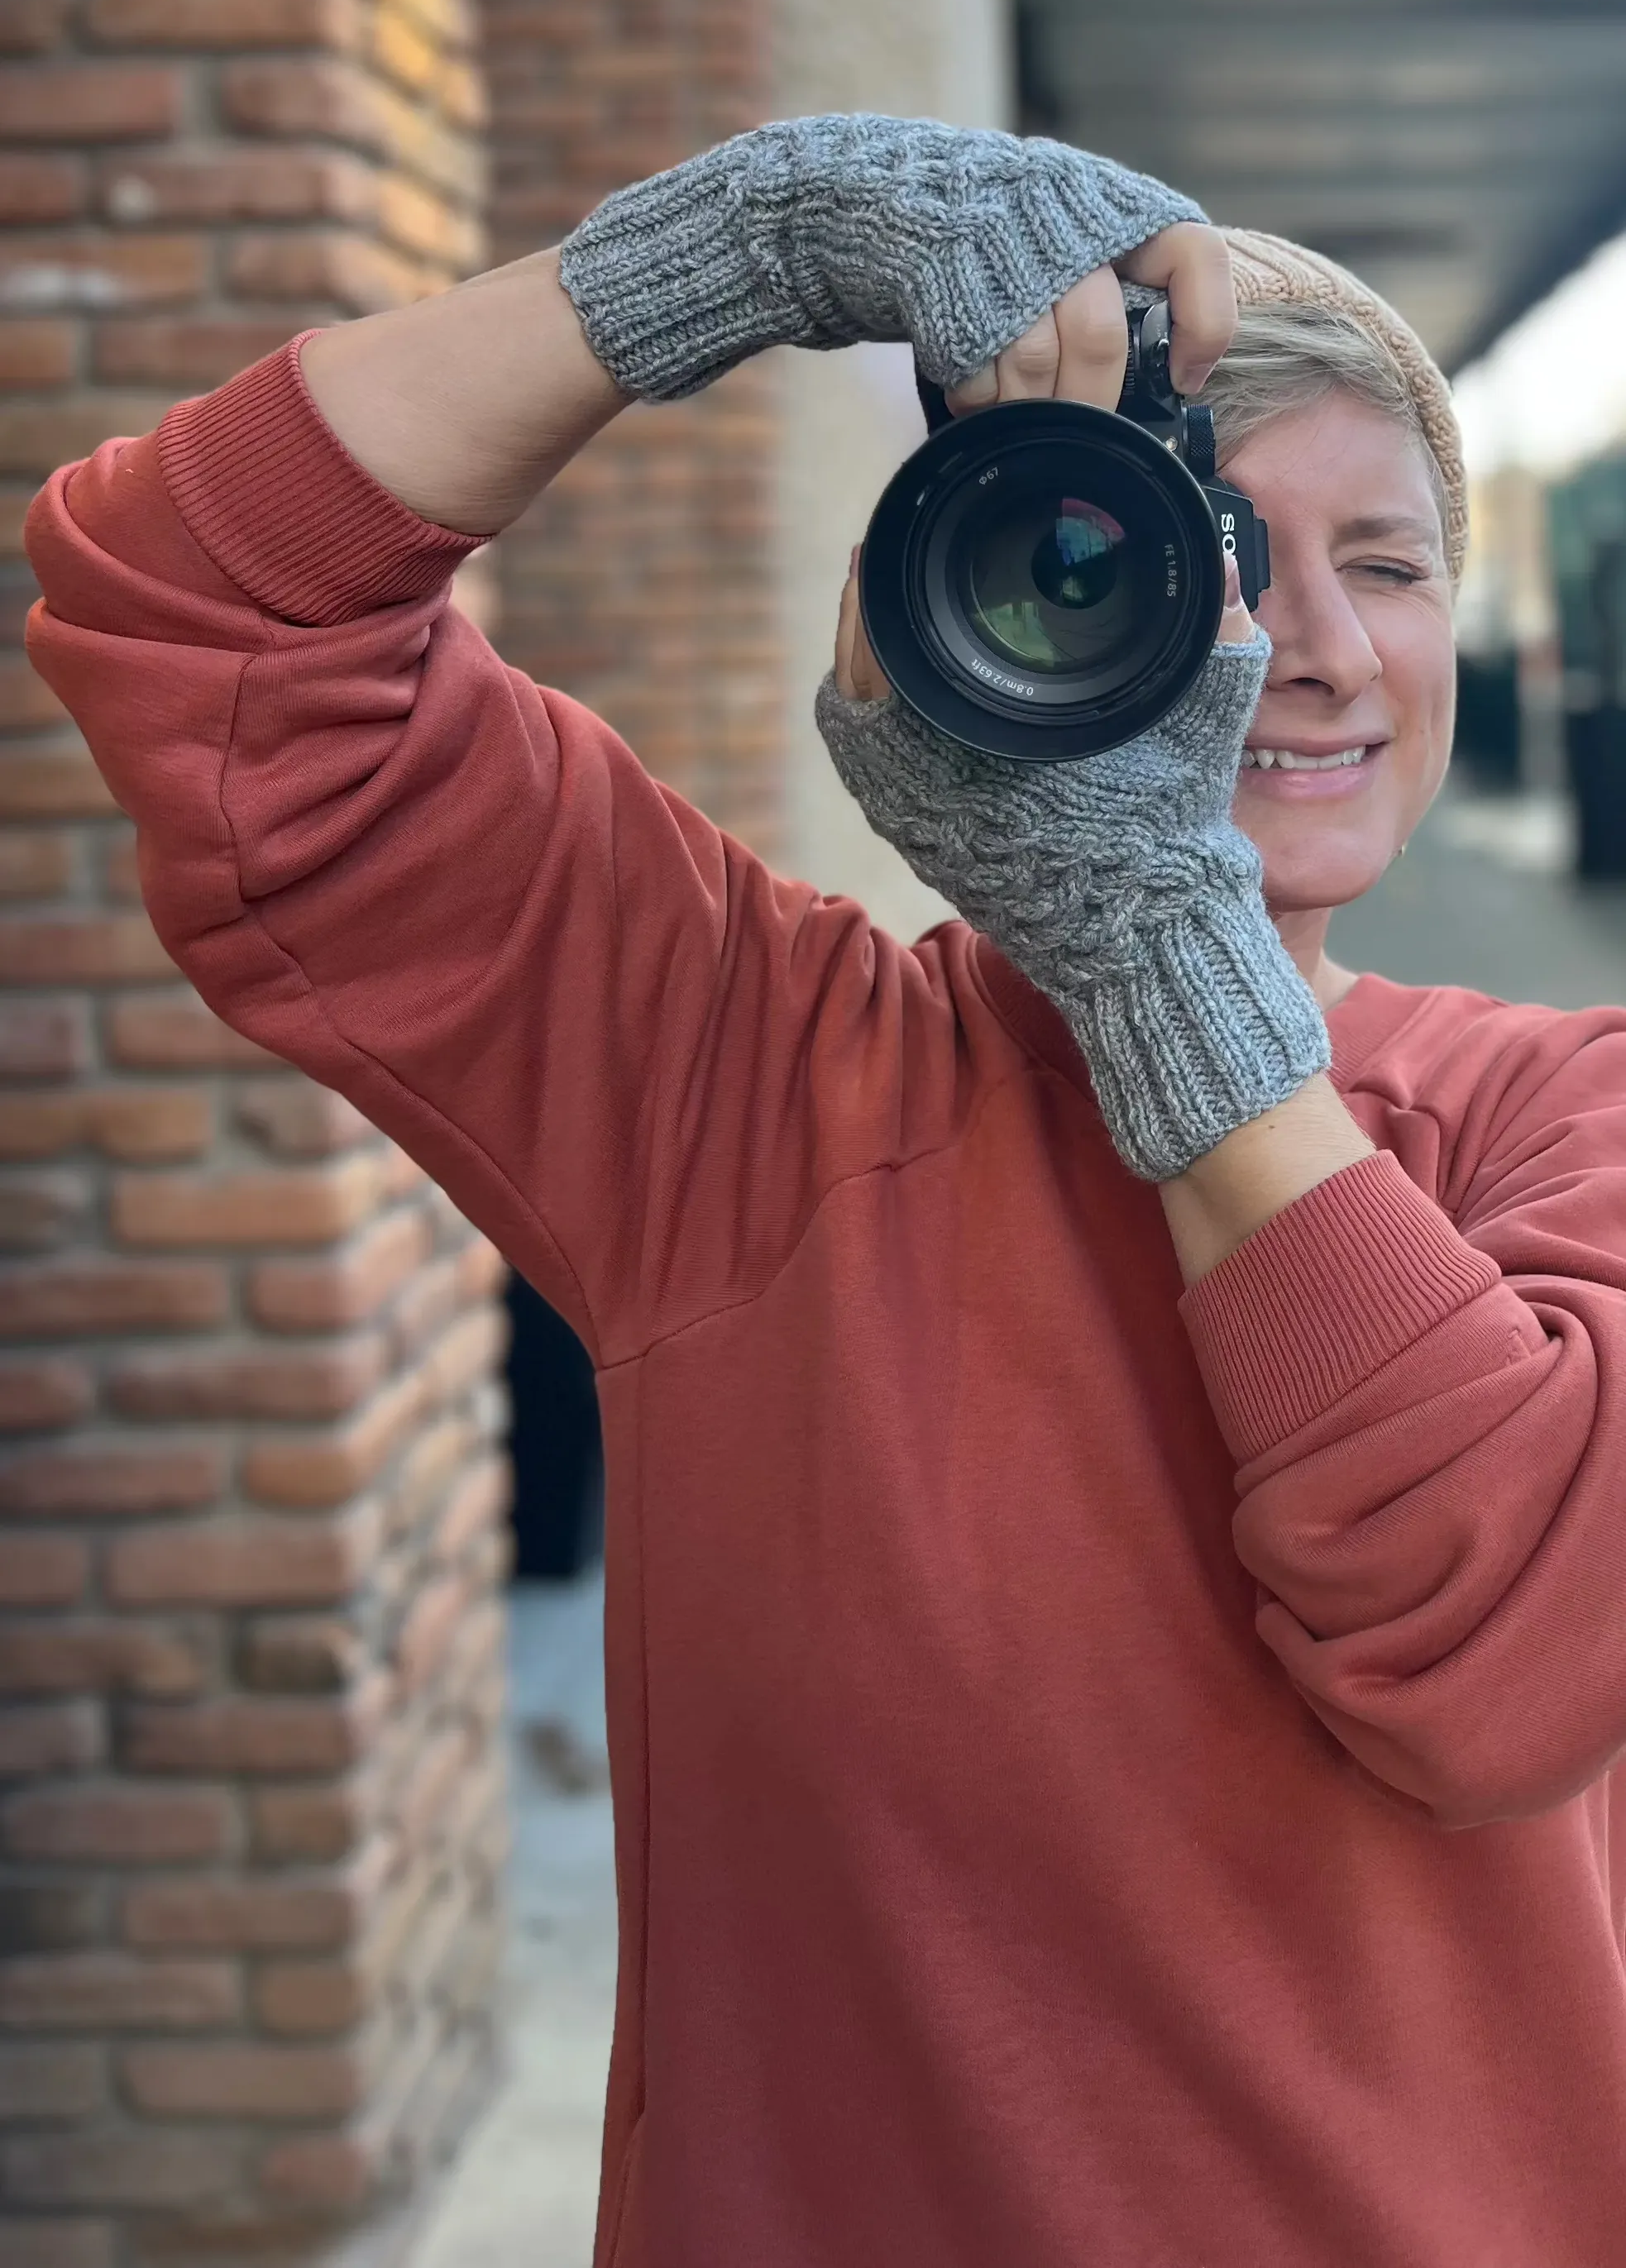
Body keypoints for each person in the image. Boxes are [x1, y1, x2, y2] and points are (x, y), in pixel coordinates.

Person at [25, 117, 1626, 2268]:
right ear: (954, 603)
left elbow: (1503, 1650)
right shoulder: (748, 1084)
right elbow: (202, 607)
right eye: (1195, 554)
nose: (1313, 643)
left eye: (1393, 560)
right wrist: (720, 255)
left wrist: (1148, 934)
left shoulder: (1570, 1110)